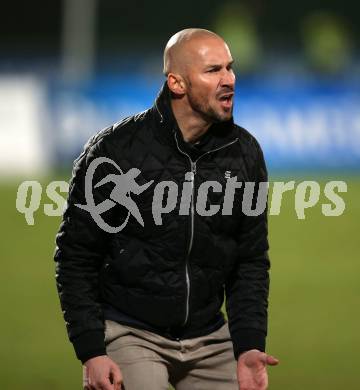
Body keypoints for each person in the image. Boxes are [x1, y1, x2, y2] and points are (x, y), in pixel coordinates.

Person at [54, 28, 279, 390]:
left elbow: (250, 258)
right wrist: (92, 351)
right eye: (213, 70)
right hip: (131, 332)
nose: (229, 80)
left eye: (230, 68)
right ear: (177, 83)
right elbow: (76, 255)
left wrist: (249, 344)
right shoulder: (115, 152)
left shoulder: (245, 153)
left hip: (209, 334)